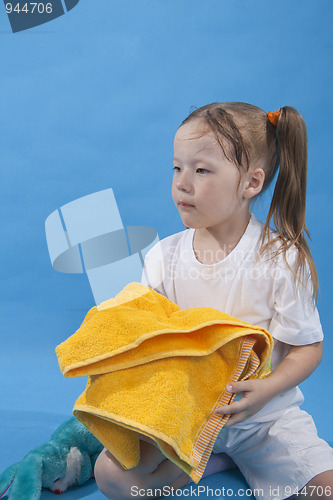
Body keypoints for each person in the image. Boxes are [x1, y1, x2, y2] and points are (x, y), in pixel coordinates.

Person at [94, 102, 333, 499]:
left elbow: (308, 347)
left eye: (201, 170)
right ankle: (211, 458)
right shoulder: (163, 258)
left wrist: (268, 388)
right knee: (113, 477)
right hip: (185, 418)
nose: (182, 183)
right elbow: (150, 339)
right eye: (177, 167)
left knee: (325, 490)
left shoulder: (280, 260)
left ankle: (241, 456)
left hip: (263, 421)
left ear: (251, 183)